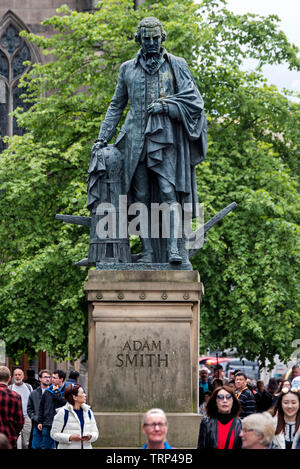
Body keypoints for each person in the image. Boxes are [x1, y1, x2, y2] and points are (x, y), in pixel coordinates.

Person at [88, 16, 207, 265]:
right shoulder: (127, 69)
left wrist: (166, 106)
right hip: (133, 140)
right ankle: (149, 251)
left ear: (161, 37)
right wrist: (102, 138)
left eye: (155, 38)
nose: (151, 43)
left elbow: (194, 102)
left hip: (165, 140)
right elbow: (116, 106)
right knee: (139, 195)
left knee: (167, 191)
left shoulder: (176, 65)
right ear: (139, 39)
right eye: (146, 38)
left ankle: (174, 249)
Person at [50, 384, 99, 449]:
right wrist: (70, 437)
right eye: (82, 393)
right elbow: (54, 434)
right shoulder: (63, 412)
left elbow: (95, 432)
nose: (85, 395)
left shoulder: (88, 412)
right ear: (75, 397)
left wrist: (90, 436)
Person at [37, 369, 67, 449]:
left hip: (61, 424)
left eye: (55, 378)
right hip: (48, 424)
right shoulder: (48, 391)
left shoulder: (67, 391)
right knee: (46, 446)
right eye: (52, 377)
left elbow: (65, 403)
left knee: (60, 446)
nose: (52, 380)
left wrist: (56, 392)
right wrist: (40, 421)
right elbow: (41, 407)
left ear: (61, 379)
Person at [0, 366, 24, 449]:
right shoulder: (15, 396)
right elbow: (20, 422)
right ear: (10, 378)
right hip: (9, 438)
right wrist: (14, 436)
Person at [27, 369, 51, 449]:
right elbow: (29, 410)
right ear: (40, 379)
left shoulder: (53, 392)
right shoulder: (33, 393)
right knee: (36, 446)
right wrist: (36, 418)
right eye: (45, 377)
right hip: (37, 426)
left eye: (49, 377)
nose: (47, 379)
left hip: (50, 426)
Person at [9, 367, 33, 449]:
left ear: (23, 376)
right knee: (14, 442)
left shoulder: (29, 387)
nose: (17, 377)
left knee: (26, 443)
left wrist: (31, 415)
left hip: (26, 418)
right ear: (13, 376)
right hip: (14, 419)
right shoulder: (10, 388)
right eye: (15, 375)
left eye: (19, 375)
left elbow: (32, 402)